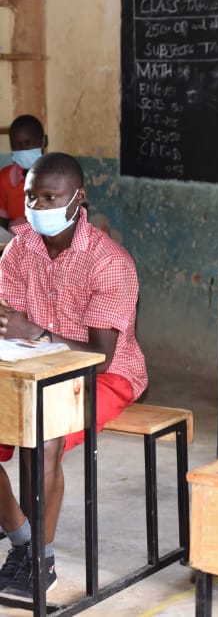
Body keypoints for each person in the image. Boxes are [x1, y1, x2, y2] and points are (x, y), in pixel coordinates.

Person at [0, 152, 147, 597]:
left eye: (51, 197)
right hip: (31, 368)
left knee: (44, 436)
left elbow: (101, 357)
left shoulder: (110, 262)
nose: (39, 207)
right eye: (32, 197)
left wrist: (38, 332)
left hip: (105, 376)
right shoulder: (19, 249)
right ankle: (21, 538)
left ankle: (39, 562)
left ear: (78, 197)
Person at [0, 114, 47, 230]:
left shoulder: (60, 175)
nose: (23, 149)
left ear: (44, 141)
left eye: (29, 143)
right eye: (16, 145)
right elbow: (2, 221)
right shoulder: (5, 178)